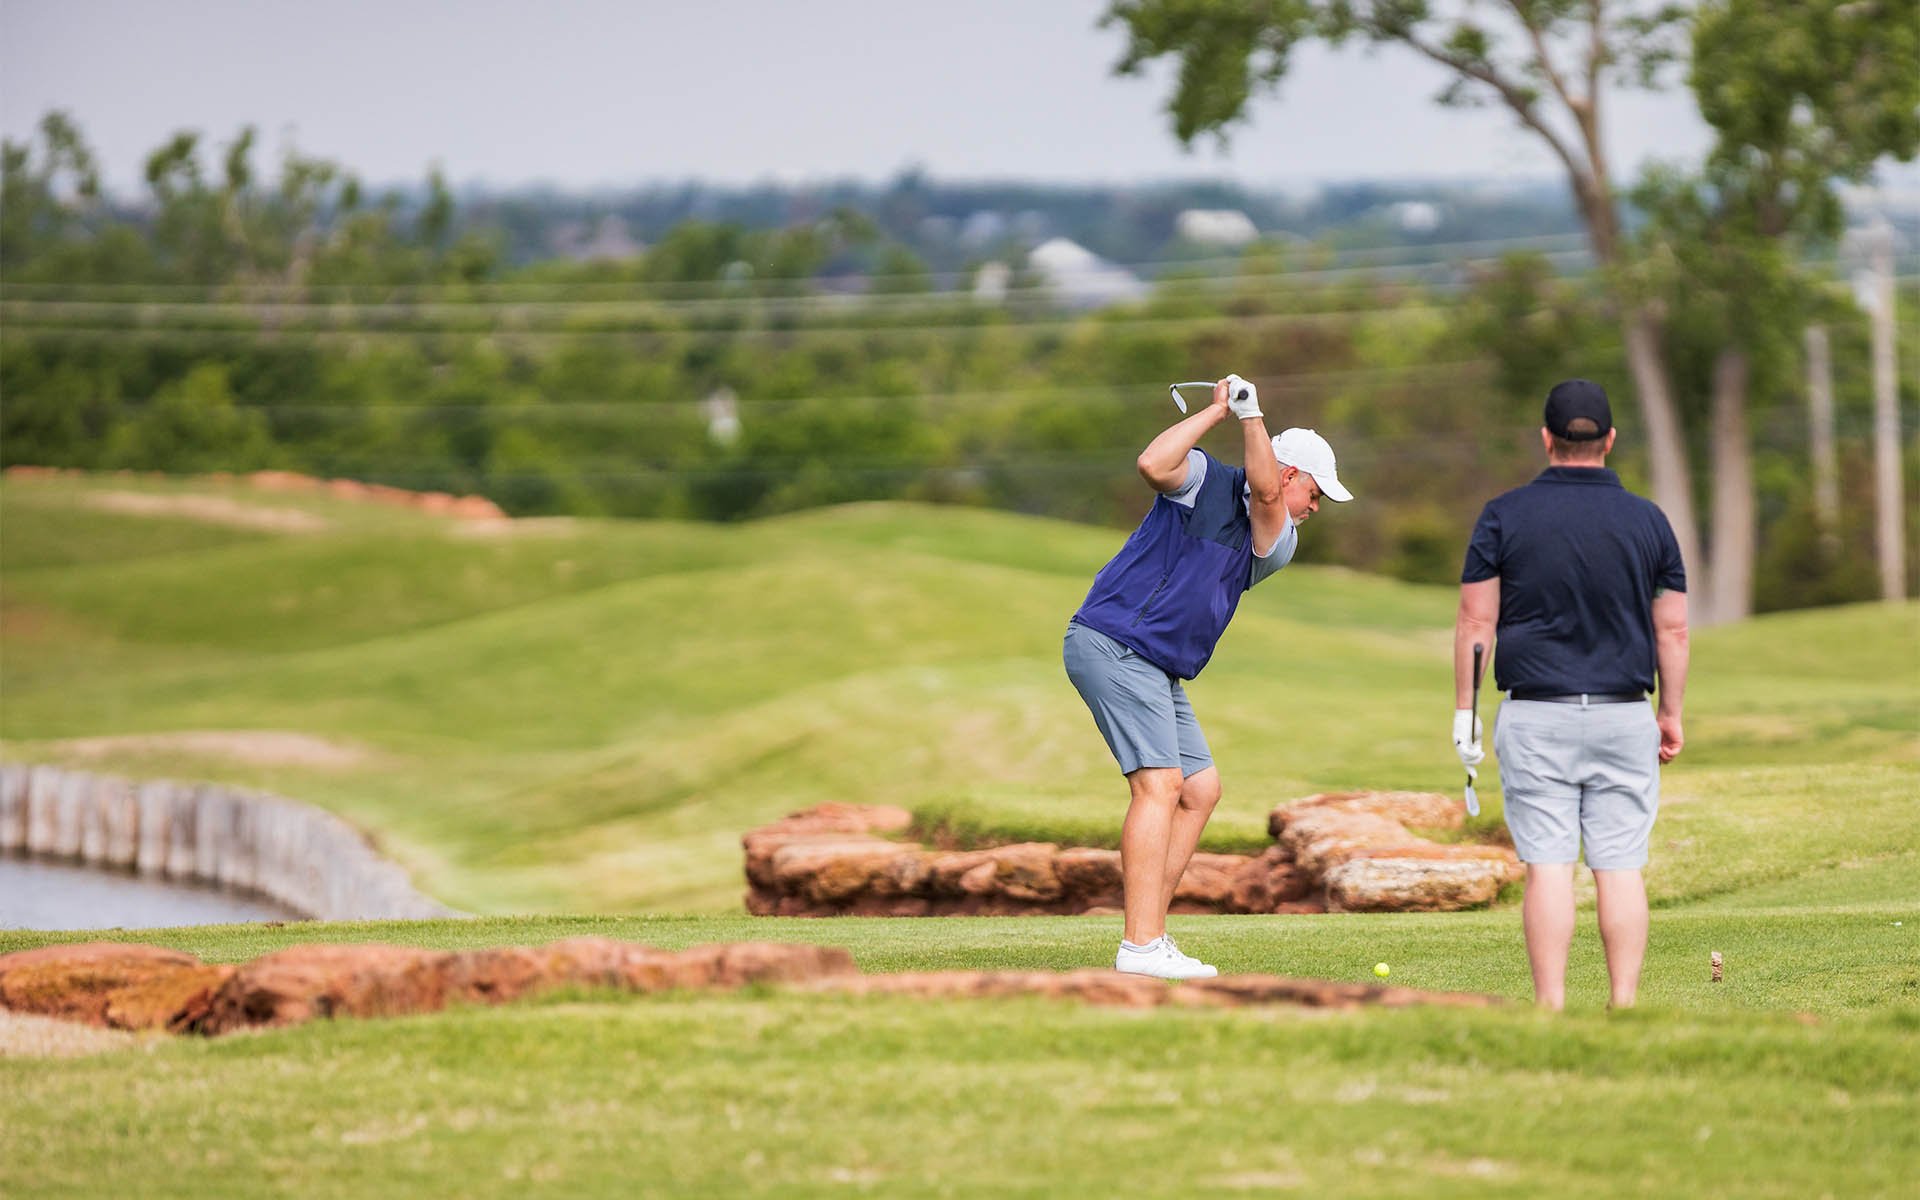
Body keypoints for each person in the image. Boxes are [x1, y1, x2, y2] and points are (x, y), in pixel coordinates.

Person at [1065, 375, 1352, 979]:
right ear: (1292, 474)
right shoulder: (1201, 479)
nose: (1315, 508)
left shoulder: (1278, 540)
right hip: (1116, 642)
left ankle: (1150, 933)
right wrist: (1221, 412)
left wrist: (1251, 417)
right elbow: (1152, 463)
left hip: (1157, 665)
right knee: (1161, 785)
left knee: (1200, 789)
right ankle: (1141, 946)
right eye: (1316, 492)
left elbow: (1266, 497)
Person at [1452, 378, 1690, 1010]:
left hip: (1536, 715)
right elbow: (1673, 629)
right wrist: (1669, 713)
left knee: (1549, 865)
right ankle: (1624, 1005)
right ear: (1609, 440)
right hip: (1623, 713)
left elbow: (1475, 623)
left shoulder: (1503, 515)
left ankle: (1551, 1008)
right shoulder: (1650, 521)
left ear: (1546, 439)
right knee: (1620, 865)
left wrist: (1465, 713)